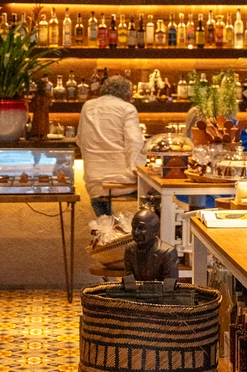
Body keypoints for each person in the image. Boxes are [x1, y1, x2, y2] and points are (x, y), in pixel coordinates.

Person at [76, 74, 146, 217]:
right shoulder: (127, 108)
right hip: (122, 180)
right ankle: (149, 225)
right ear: (127, 94)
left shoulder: (87, 106)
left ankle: (107, 224)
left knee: (98, 197)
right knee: (159, 188)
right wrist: (140, 170)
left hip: (94, 181)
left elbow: (79, 139)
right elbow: (134, 142)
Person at [123, 208, 179, 282]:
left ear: (155, 230)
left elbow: (170, 285)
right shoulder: (130, 249)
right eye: (134, 227)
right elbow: (128, 281)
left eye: (141, 228)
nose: (136, 232)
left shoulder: (168, 253)